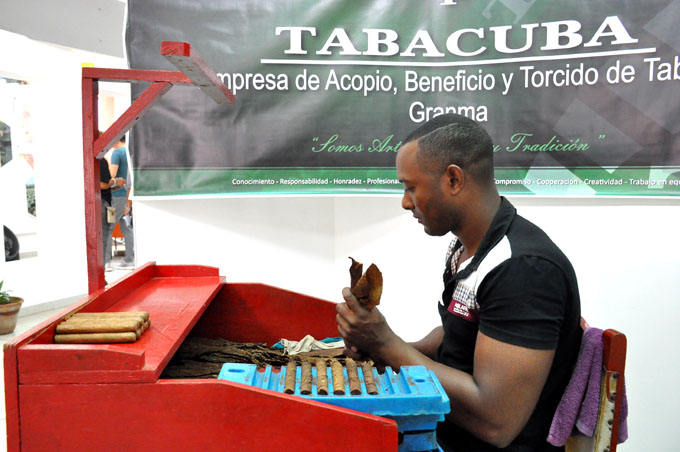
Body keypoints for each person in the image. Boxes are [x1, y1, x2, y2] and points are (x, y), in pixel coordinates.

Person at [336, 114, 582, 452]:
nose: (406, 202)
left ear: (453, 179)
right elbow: (458, 333)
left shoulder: (522, 269)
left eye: (410, 187)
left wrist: (386, 345)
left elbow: (497, 422)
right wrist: (384, 348)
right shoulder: (465, 249)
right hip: (445, 432)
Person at [106, 136, 135, 270]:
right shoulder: (129, 151)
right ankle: (129, 259)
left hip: (115, 196)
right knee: (127, 227)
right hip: (127, 196)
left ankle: (106, 261)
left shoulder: (117, 153)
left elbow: (111, 174)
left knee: (108, 228)